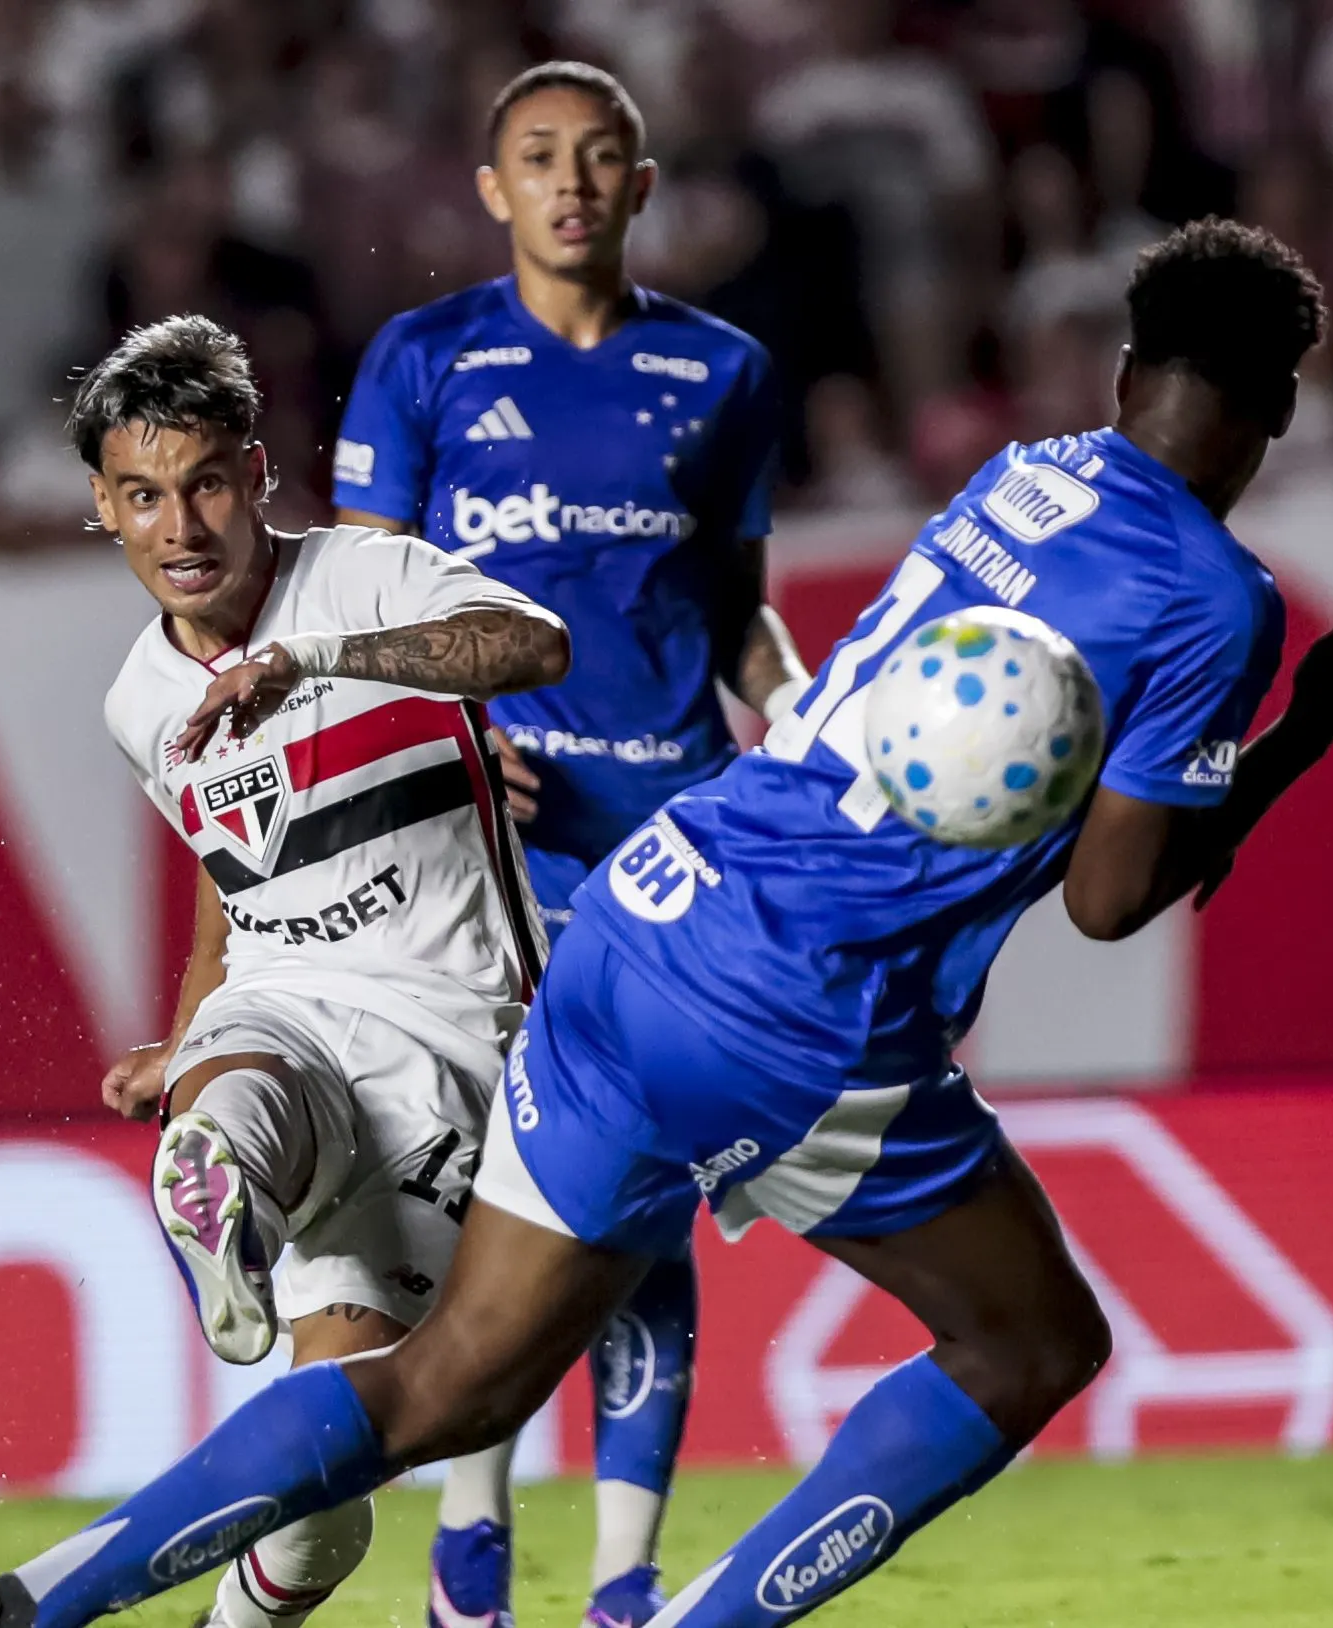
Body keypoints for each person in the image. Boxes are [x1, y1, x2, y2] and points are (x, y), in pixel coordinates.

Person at [0, 218, 1333, 1628]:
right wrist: (1315, 722)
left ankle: (22, 1601)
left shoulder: (1021, 474)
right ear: (1280, 410)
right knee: (1029, 1346)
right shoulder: (1214, 602)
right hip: (803, 1005)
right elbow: (1113, 900)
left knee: (447, 1388)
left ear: (1121, 367)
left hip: (645, 911)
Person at [328, 61, 805, 1628]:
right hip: (491, 853)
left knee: (642, 1214)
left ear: (645, 185)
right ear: (491, 189)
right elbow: (359, 612)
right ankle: (472, 1534)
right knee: (502, 1197)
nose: (571, 182)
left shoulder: (722, 371)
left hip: (668, 849)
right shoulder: (424, 361)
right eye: (538, 157)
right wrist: (452, 736)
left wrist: (795, 714)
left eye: (601, 157)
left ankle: (621, 1585)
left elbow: (733, 608)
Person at [78, 315, 571, 1628]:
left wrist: (320, 660)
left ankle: (225, 1166)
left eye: (205, 485)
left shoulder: (363, 576)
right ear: (104, 510)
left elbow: (532, 647)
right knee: (249, 1064)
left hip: (451, 1046)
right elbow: (218, 889)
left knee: (327, 1495)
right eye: (143, 496)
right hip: (287, 1004)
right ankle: (214, 1174)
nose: (180, 524)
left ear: (254, 476)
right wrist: (182, 1039)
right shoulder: (138, 699)